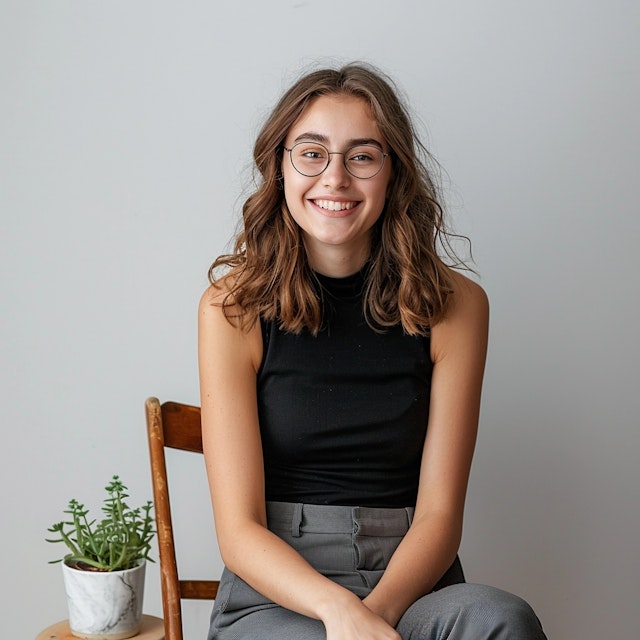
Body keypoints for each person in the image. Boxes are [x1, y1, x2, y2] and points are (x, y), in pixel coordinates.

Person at [198, 62, 547, 640]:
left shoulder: (457, 307)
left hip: (409, 587)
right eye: (311, 153)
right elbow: (238, 531)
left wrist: (376, 617)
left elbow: (439, 515)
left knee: (500, 619)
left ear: (393, 173)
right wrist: (339, 612)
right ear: (280, 167)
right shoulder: (231, 307)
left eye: (362, 156)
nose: (334, 178)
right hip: (277, 594)